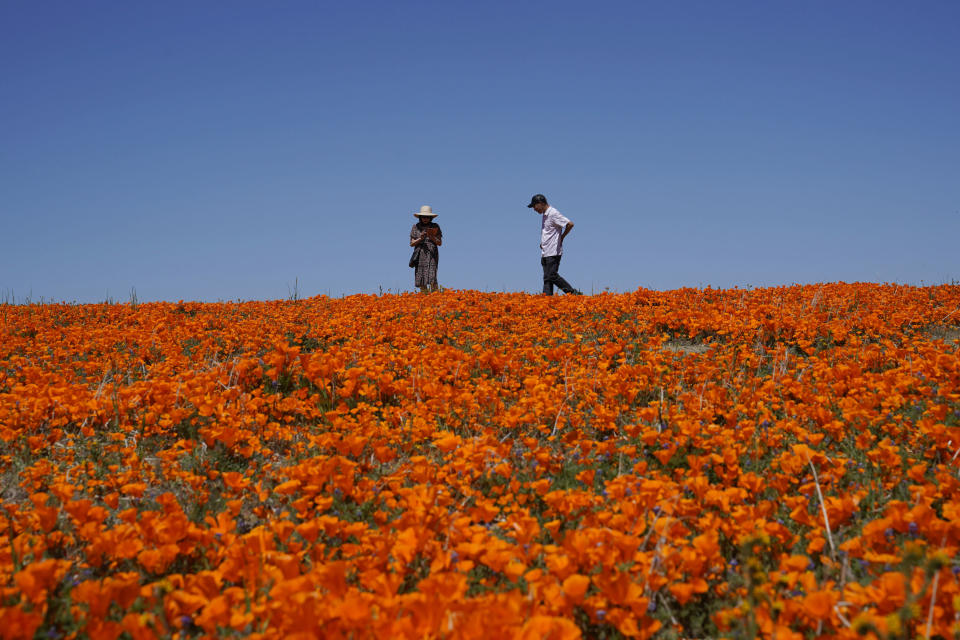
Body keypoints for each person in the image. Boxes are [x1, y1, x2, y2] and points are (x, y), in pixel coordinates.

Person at [527, 194, 581, 295]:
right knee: (547, 278)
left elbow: (570, 224)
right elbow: (549, 231)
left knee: (551, 275)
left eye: (534, 206)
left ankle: (573, 293)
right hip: (545, 251)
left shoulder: (553, 213)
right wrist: (543, 243)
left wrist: (562, 237)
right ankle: (547, 300)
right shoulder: (545, 215)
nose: (534, 209)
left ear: (541, 203)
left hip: (553, 251)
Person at [410, 205, 442, 292]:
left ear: (430, 218)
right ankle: (425, 297)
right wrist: (421, 238)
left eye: (427, 217)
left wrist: (431, 237)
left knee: (432, 276)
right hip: (420, 254)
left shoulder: (435, 226)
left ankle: (435, 296)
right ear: (420, 217)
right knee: (421, 276)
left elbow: (439, 243)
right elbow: (412, 243)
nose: (425, 219)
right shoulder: (415, 227)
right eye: (423, 217)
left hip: (432, 254)